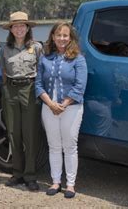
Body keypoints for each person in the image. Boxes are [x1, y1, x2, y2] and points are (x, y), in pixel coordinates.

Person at [35, 22, 87, 198]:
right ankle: (56, 181)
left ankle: (70, 185)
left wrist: (63, 105)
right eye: (58, 35)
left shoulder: (78, 59)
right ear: (52, 37)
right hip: (48, 107)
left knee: (70, 146)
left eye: (65, 35)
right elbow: (38, 84)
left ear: (70, 38)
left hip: (71, 108)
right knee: (54, 146)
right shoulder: (45, 57)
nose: (62, 38)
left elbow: (80, 86)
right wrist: (50, 104)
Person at [1, 11, 43, 191]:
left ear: (28, 28)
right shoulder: (5, 48)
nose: (19, 29)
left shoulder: (37, 47)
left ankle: (30, 175)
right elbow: (3, 70)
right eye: (15, 26)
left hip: (29, 89)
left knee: (30, 134)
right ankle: (17, 173)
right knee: (13, 133)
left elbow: (42, 71)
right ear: (11, 29)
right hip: (10, 90)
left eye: (22, 26)